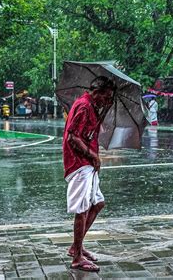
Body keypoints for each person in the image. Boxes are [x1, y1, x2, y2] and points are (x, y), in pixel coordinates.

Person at [62, 76, 115, 272]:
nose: (107, 101)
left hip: (88, 164)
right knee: (82, 209)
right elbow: (72, 137)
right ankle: (76, 257)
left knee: (97, 203)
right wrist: (93, 155)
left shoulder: (91, 107)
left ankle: (77, 246)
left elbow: (85, 133)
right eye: (106, 97)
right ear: (97, 92)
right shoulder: (84, 106)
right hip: (80, 163)